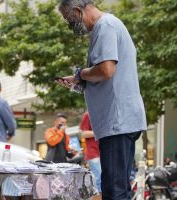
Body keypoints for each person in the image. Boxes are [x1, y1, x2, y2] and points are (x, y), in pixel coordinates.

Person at [57, 1, 147, 199]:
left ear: (78, 11)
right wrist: (78, 80)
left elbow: (106, 70)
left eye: (69, 20)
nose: (70, 26)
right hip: (120, 120)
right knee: (117, 188)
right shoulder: (109, 25)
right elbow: (106, 76)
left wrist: (80, 73)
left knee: (114, 192)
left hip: (117, 121)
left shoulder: (105, 26)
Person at [79, 111, 101, 195]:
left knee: (102, 180)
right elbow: (83, 133)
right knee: (98, 180)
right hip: (94, 153)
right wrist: (100, 132)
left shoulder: (105, 112)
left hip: (104, 153)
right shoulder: (88, 114)